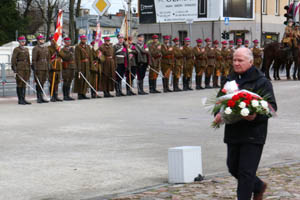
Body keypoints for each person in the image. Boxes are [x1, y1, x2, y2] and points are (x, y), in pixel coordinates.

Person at [214, 48, 277, 200]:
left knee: (245, 173)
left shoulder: (262, 81)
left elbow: (272, 108)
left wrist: (255, 116)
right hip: (233, 132)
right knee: (233, 167)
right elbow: (218, 101)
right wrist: (217, 113)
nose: (236, 63)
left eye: (240, 60)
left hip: (253, 134)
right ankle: (259, 186)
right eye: (234, 60)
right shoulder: (229, 80)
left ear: (250, 61)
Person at [11, 36, 31, 105]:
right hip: (19, 68)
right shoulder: (16, 49)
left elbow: (28, 59)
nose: (23, 42)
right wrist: (14, 68)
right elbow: (13, 59)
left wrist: (29, 67)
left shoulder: (26, 49)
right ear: (19, 42)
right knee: (19, 83)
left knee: (24, 83)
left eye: (24, 41)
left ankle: (23, 98)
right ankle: (20, 100)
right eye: (22, 41)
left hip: (26, 68)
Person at [74, 35, 93, 99]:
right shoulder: (78, 47)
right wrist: (78, 68)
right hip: (81, 65)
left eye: (85, 39)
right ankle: (79, 94)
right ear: (80, 39)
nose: (84, 40)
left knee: (86, 79)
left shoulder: (88, 47)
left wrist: (91, 65)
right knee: (80, 80)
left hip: (87, 65)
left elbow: (90, 57)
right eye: (83, 39)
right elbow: (77, 58)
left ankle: (84, 93)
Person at [32, 34, 49, 103]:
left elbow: (48, 58)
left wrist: (49, 65)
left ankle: (41, 97)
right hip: (39, 67)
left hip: (45, 67)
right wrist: (34, 67)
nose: (42, 40)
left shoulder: (46, 48)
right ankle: (39, 97)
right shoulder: (36, 48)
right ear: (38, 41)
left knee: (43, 82)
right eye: (41, 39)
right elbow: (34, 59)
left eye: (43, 39)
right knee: (39, 82)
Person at [48, 37, 63, 102]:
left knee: (57, 82)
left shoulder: (58, 48)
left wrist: (57, 50)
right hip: (52, 68)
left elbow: (62, 56)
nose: (54, 42)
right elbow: (48, 59)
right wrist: (51, 67)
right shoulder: (48, 48)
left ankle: (56, 96)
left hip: (58, 67)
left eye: (55, 41)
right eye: (52, 41)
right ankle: (52, 96)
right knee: (52, 82)